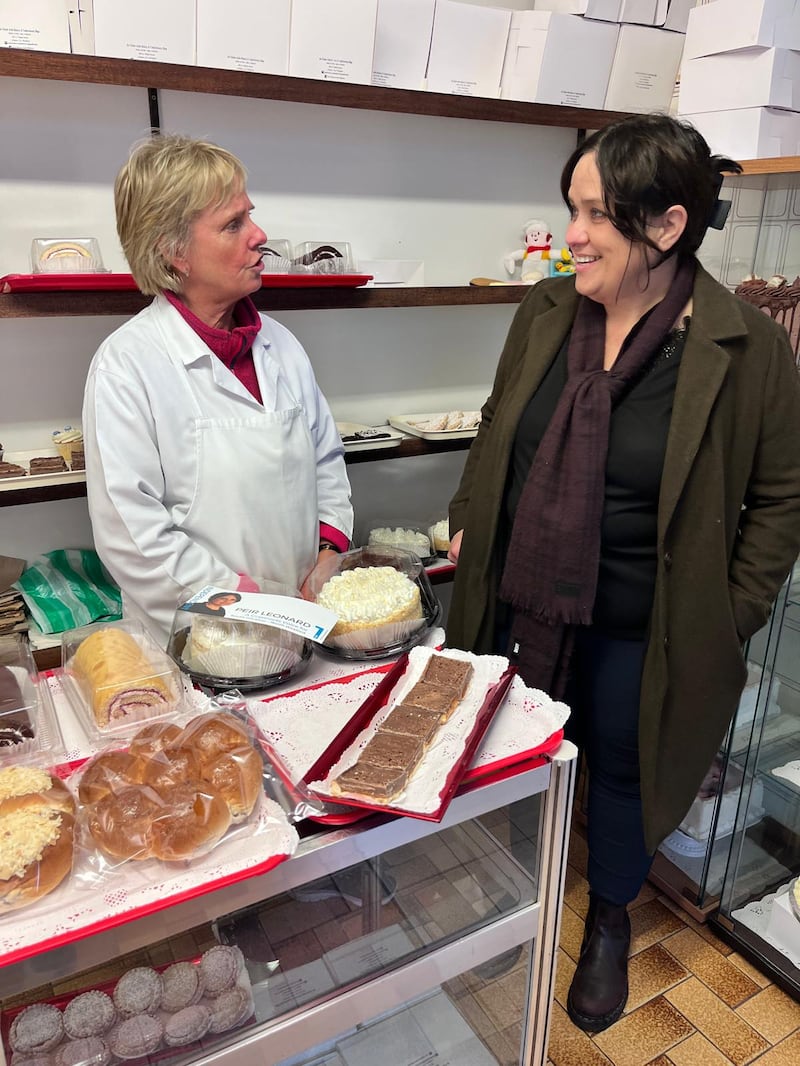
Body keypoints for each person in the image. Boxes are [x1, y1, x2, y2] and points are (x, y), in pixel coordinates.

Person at [446, 113, 800, 1033]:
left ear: (669, 227)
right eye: (573, 209)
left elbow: (783, 496)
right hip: (524, 599)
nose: (574, 235)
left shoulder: (745, 348)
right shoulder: (547, 311)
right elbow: (498, 429)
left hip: (650, 625)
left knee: (624, 772)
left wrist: (731, 611)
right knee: (510, 753)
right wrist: (468, 522)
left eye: (599, 215)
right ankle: (509, 892)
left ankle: (608, 921)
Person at [83, 135, 352, 643]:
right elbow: (132, 535)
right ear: (173, 251)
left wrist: (328, 550)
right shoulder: (127, 366)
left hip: (302, 614)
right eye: (234, 224)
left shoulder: (281, 345)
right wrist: (243, 600)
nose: (260, 234)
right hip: (198, 639)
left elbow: (325, 460)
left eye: (250, 215)